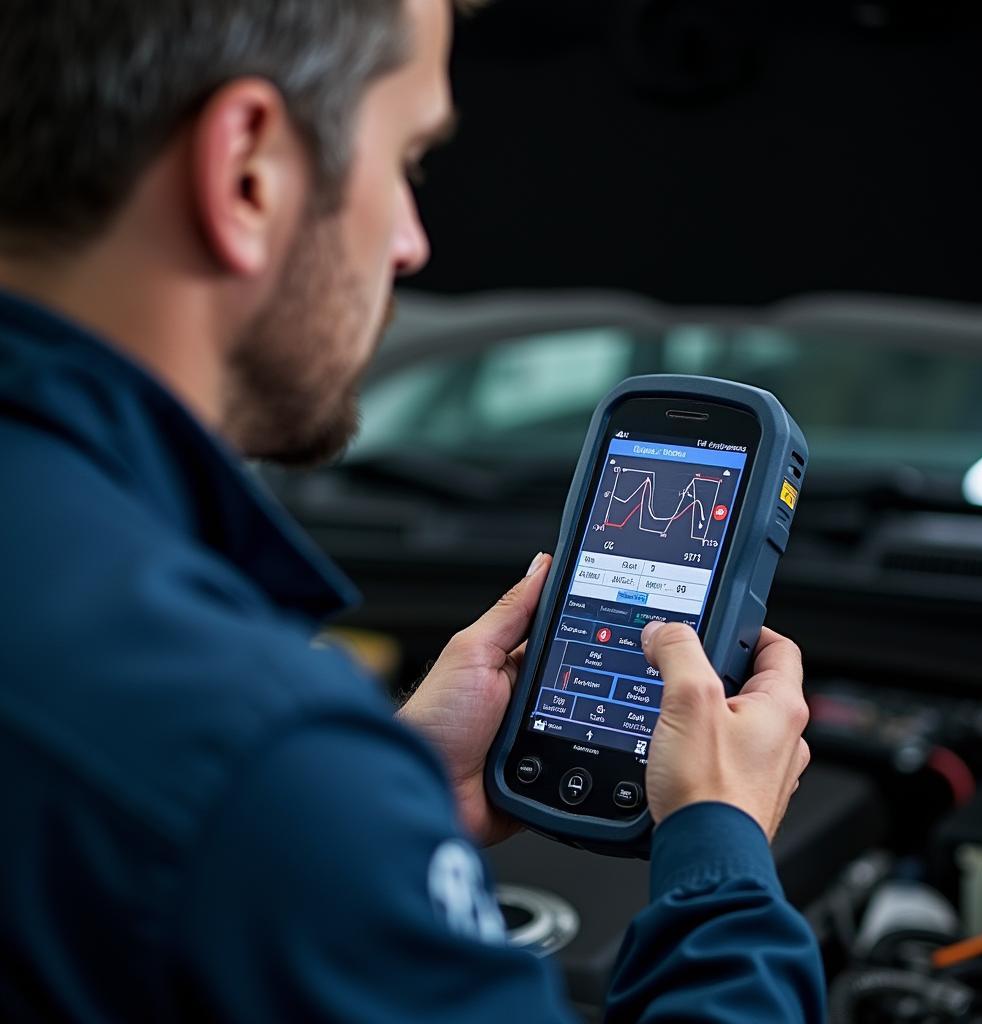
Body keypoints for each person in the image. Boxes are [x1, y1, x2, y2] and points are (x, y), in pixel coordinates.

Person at [0, 0, 823, 1020]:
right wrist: (721, 856)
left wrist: (389, 810)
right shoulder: (251, 754)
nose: (413, 242)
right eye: (406, 161)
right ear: (246, 169)